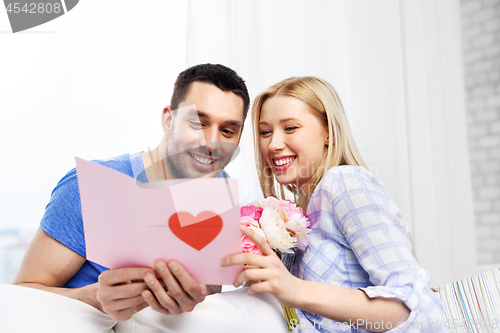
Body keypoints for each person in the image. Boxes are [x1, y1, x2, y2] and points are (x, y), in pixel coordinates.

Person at [13, 64, 250, 321]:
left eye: (227, 131)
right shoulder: (91, 186)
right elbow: (22, 297)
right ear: (168, 120)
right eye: (197, 123)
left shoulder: (221, 190)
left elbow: (210, 291)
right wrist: (94, 299)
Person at [221, 77, 446, 332]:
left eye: (291, 128)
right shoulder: (297, 214)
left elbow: (424, 313)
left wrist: (295, 290)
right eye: (265, 132)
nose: (273, 144)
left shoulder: (344, 183)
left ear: (329, 132)